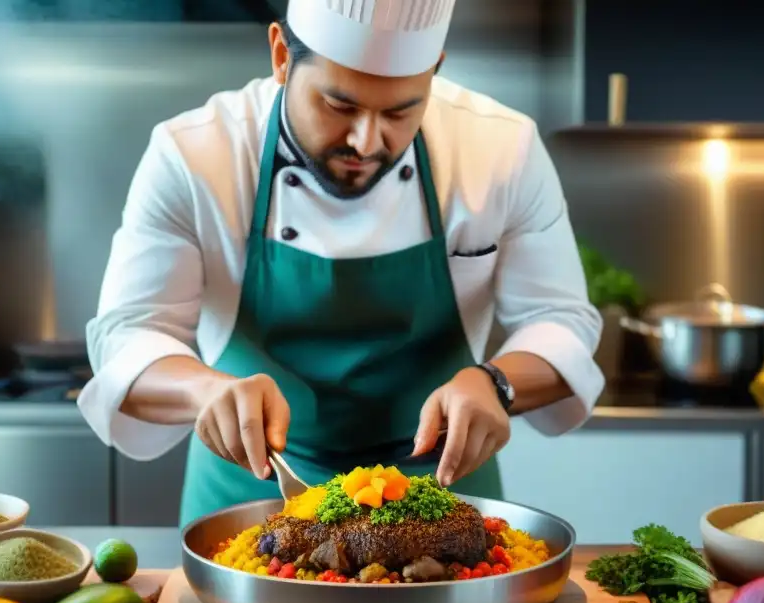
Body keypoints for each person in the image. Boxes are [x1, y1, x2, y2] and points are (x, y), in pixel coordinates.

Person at [77, 0, 605, 527]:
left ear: (435, 68)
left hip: (443, 502)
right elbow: (128, 335)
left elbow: (560, 322)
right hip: (253, 491)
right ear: (282, 56)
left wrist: (496, 383)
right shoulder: (193, 154)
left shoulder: (502, 149)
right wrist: (205, 391)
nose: (366, 142)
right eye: (338, 105)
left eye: (400, 111)